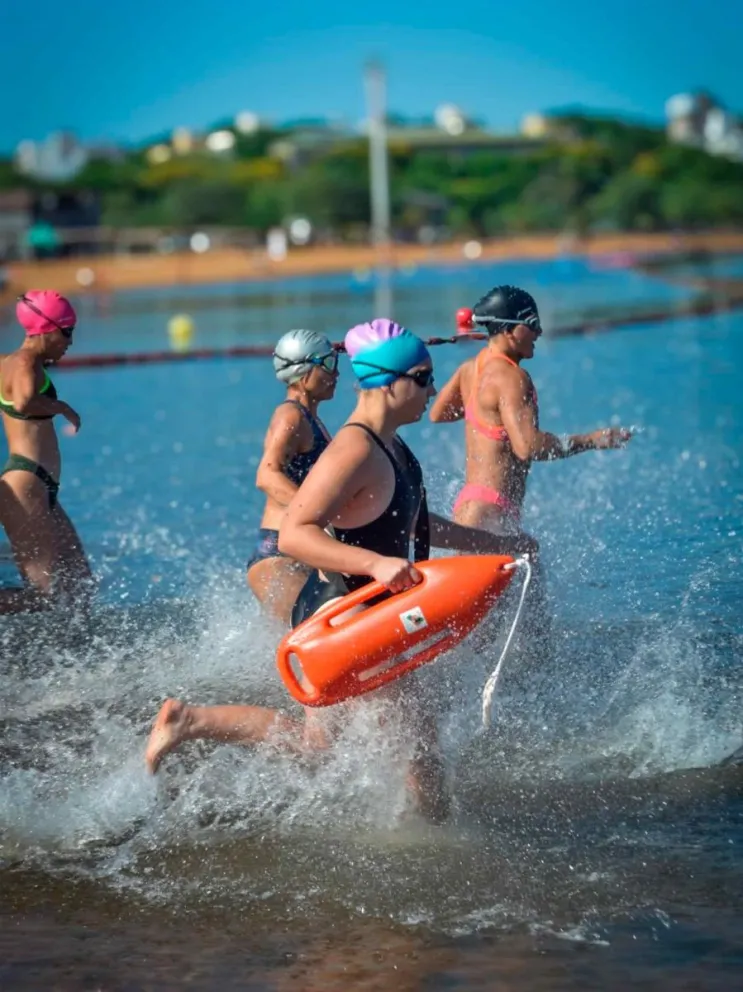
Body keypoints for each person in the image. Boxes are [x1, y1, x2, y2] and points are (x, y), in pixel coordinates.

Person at [146, 319, 536, 821]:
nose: (433, 391)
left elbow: (421, 523)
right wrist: (374, 563)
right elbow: (295, 533)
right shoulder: (354, 449)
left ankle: (189, 721)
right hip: (343, 613)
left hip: (357, 611)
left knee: (319, 746)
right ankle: (438, 851)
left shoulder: (393, 445)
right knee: (422, 750)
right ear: (390, 381)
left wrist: (492, 544)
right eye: (424, 378)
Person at [429, 285, 632, 535]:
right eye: (532, 323)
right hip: (490, 513)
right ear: (509, 330)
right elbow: (528, 446)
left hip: (471, 507)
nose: (539, 331)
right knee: (531, 559)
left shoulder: (470, 369)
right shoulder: (512, 378)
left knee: (531, 556)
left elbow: (438, 414)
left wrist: (487, 412)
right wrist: (591, 440)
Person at [0, 291, 92, 613]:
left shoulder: (7, 363)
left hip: (40, 486)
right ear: (48, 329)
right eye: (67, 332)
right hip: (26, 484)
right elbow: (24, 401)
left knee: (81, 583)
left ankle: (81, 651)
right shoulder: (25, 362)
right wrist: (62, 407)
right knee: (41, 596)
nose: (69, 341)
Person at [247, 329, 338, 624]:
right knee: (320, 634)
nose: (335, 373)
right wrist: (316, 516)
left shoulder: (311, 419)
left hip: (303, 551)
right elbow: (266, 474)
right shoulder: (291, 417)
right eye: (328, 364)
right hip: (279, 557)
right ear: (304, 372)